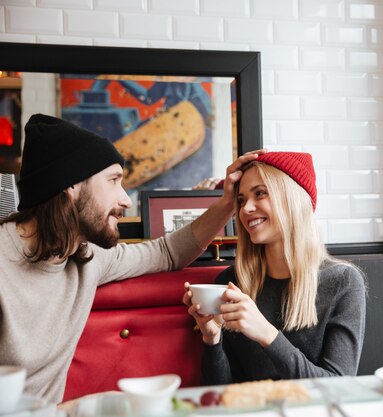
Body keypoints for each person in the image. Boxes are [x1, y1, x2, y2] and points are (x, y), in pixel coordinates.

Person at [0, 113, 265, 404]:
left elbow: (167, 252)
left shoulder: (87, 257)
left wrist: (228, 204)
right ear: (71, 186)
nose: (126, 199)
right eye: (114, 180)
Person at [183, 152, 367, 385]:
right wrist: (212, 338)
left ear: (292, 200)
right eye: (241, 200)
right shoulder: (231, 282)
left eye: (260, 193)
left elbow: (339, 387)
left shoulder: (342, 281)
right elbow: (221, 395)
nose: (246, 209)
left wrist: (267, 334)